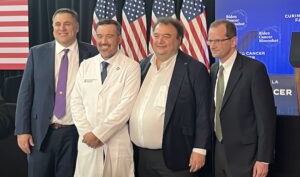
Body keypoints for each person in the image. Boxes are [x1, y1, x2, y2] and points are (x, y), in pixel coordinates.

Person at [15, 8, 98, 177]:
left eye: (67, 24)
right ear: (52, 27)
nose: (62, 28)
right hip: (41, 134)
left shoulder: (92, 54)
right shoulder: (37, 53)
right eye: (57, 24)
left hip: (76, 134)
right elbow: (25, 94)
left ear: (77, 27)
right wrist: (22, 130)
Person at [130, 17, 211, 177]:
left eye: (166, 36)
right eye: (156, 35)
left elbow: (204, 112)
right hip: (141, 157)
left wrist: (200, 148)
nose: (160, 41)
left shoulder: (194, 69)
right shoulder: (142, 66)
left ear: (179, 40)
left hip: (176, 156)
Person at [71, 19, 140, 177]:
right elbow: (76, 103)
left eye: (109, 36)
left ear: (119, 39)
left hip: (117, 140)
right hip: (87, 141)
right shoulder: (85, 65)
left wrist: (99, 134)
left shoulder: (131, 67)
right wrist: (87, 133)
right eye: (100, 36)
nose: (103, 41)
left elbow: (126, 106)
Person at [207, 19, 276, 177]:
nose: (212, 45)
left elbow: (266, 119)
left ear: (233, 41)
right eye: (210, 40)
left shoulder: (254, 70)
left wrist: (263, 159)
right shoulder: (214, 69)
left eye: (217, 40)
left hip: (246, 157)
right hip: (218, 152)